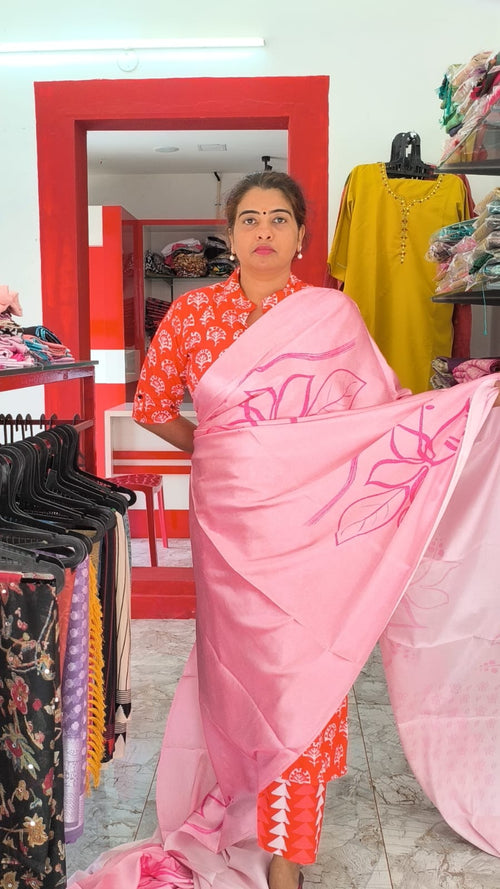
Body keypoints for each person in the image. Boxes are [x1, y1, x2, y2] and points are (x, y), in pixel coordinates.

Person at [70, 172, 500, 889]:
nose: (264, 232)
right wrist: (222, 449)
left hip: (316, 528)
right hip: (233, 523)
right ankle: (243, 805)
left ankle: (290, 856)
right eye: (248, 220)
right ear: (230, 234)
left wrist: (468, 407)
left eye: (278, 219)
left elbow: (378, 414)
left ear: (302, 234)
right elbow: (151, 405)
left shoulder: (332, 314)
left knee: (310, 676)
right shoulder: (194, 313)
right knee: (246, 679)